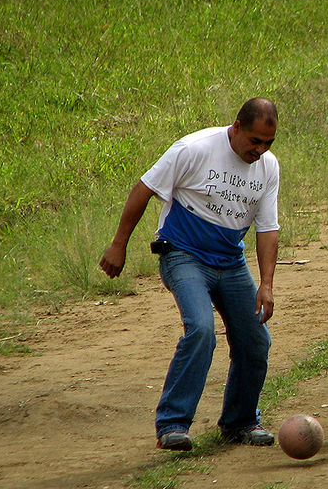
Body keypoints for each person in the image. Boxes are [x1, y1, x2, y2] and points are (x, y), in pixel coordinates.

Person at [99, 98, 280, 451]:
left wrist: (267, 284)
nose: (260, 150)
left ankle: (240, 422)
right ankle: (172, 424)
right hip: (182, 254)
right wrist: (118, 244)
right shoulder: (193, 149)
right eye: (255, 141)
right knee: (200, 329)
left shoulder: (268, 168)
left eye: (268, 143)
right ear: (237, 126)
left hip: (229, 260)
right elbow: (144, 189)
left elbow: (267, 229)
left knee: (256, 340)